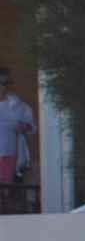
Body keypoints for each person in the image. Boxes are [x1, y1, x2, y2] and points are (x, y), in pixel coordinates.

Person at [0, 65, 37, 213]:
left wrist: (25, 127)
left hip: (11, 155)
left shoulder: (19, 106)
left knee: (7, 193)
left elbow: (33, 127)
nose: (2, 87)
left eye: (4, 83)